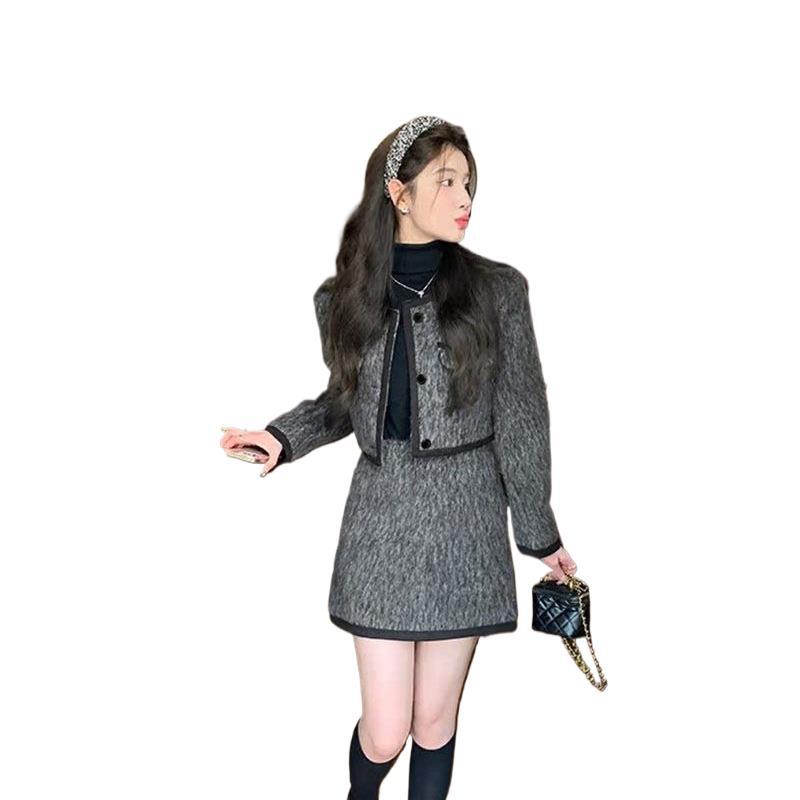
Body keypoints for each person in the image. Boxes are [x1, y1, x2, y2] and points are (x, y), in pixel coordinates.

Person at [220, 115, 578, 800]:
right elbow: (344, 401)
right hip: (380, 525)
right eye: (446, 181)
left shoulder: (500, 292)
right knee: (386, 732)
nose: (464, 198)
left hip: (466, 525)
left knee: (434, 723)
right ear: (398, 192)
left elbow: (523, 418)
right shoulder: (342, 299)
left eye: (468, 183)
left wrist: (540, 536)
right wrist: (283, 438)